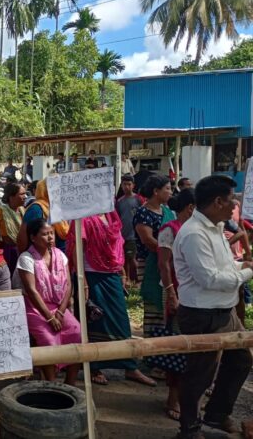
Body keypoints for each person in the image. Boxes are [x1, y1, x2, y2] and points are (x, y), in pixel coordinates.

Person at [173, 176, 253, 438]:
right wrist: (247, 273)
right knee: (200, 375)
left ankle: (216, 415)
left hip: (225, 311)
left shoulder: (217, 227)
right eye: (232, 200)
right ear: (218, 202)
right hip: (202, 315)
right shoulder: (194, 234)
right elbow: (210, 279)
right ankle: (190, 429)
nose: (235, 205)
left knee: (240, 360)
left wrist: (242, 266)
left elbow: (224, 268)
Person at [66, 210, 156, 387]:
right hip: (91, 276)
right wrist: (83, 282)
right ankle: (94, 367)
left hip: (112, 274)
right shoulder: (83, 217)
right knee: (94, 322)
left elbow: (118, 246)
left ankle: (129, 366)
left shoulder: (112, 216)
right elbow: (77, 249)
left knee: (121, 321)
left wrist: (122, 272)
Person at [17, 218, 80, 384]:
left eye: (52, 233)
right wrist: (49, 317)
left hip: (59, 306)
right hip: (35, 308)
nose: (50, 237)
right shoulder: (26, 258)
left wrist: (61, 311)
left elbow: (68, 285)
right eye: (45, 234)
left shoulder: (60, 255)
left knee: (77, 333)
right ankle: (51, 383)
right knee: (48, 340)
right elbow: (32, 291)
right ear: (33, 237)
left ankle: (70, 383)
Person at [157, 188, 195, 422]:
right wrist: (171, 293)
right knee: (178, 345)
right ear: (191, 208)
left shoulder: (196, 229)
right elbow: (164, 264)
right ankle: (173, 397)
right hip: (176, 291)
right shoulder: (169, 230)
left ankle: (188, 395)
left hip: (195, 294)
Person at [133, 174, 174, 340]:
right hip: (150, 263)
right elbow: (148, 240)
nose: (171, 192)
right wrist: (166, 251)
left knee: (168, 300)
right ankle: (153, 342)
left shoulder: (167, 211)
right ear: (156, 191)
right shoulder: (143, 213)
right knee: (154, 304)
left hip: (168, 262)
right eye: (167, 188)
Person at [17, 178, 69, 254]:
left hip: (59, 255)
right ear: (45, 191)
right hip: (41, 256)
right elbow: (23, 238)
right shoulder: (36, 209)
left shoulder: (55, 207)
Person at [0, 183, 27, 277]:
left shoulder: (23, 211)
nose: (25, 196)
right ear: (11, 197)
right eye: (22, 194)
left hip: (22, 250)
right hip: (7, 252)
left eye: (25, 193)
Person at [116, 174, 144, 287]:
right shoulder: (119, 201)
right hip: (123, 234)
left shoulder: (138, 199)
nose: (126, 187)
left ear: (133, 185)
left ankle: (136, 279)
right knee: (125, 258)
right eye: (124, 184)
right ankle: (127, 279)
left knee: (132, 257)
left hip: (134, 234)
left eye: (129, 184)